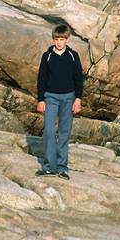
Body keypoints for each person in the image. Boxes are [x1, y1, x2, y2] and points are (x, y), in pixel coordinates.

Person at [36, 23, 83, 180]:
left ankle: (62, 167)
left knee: (64, 131)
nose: (59, 42)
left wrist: (78, 99)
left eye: (62, 39)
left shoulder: (73, 55)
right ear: (53, 39)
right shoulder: (47, 56)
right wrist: (41, 99)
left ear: (67, 40)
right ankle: (49, 167)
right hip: (50, 97)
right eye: (56, 39)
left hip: (69, 97)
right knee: (49, 130)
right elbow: (41, 79)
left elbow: (78, 78)